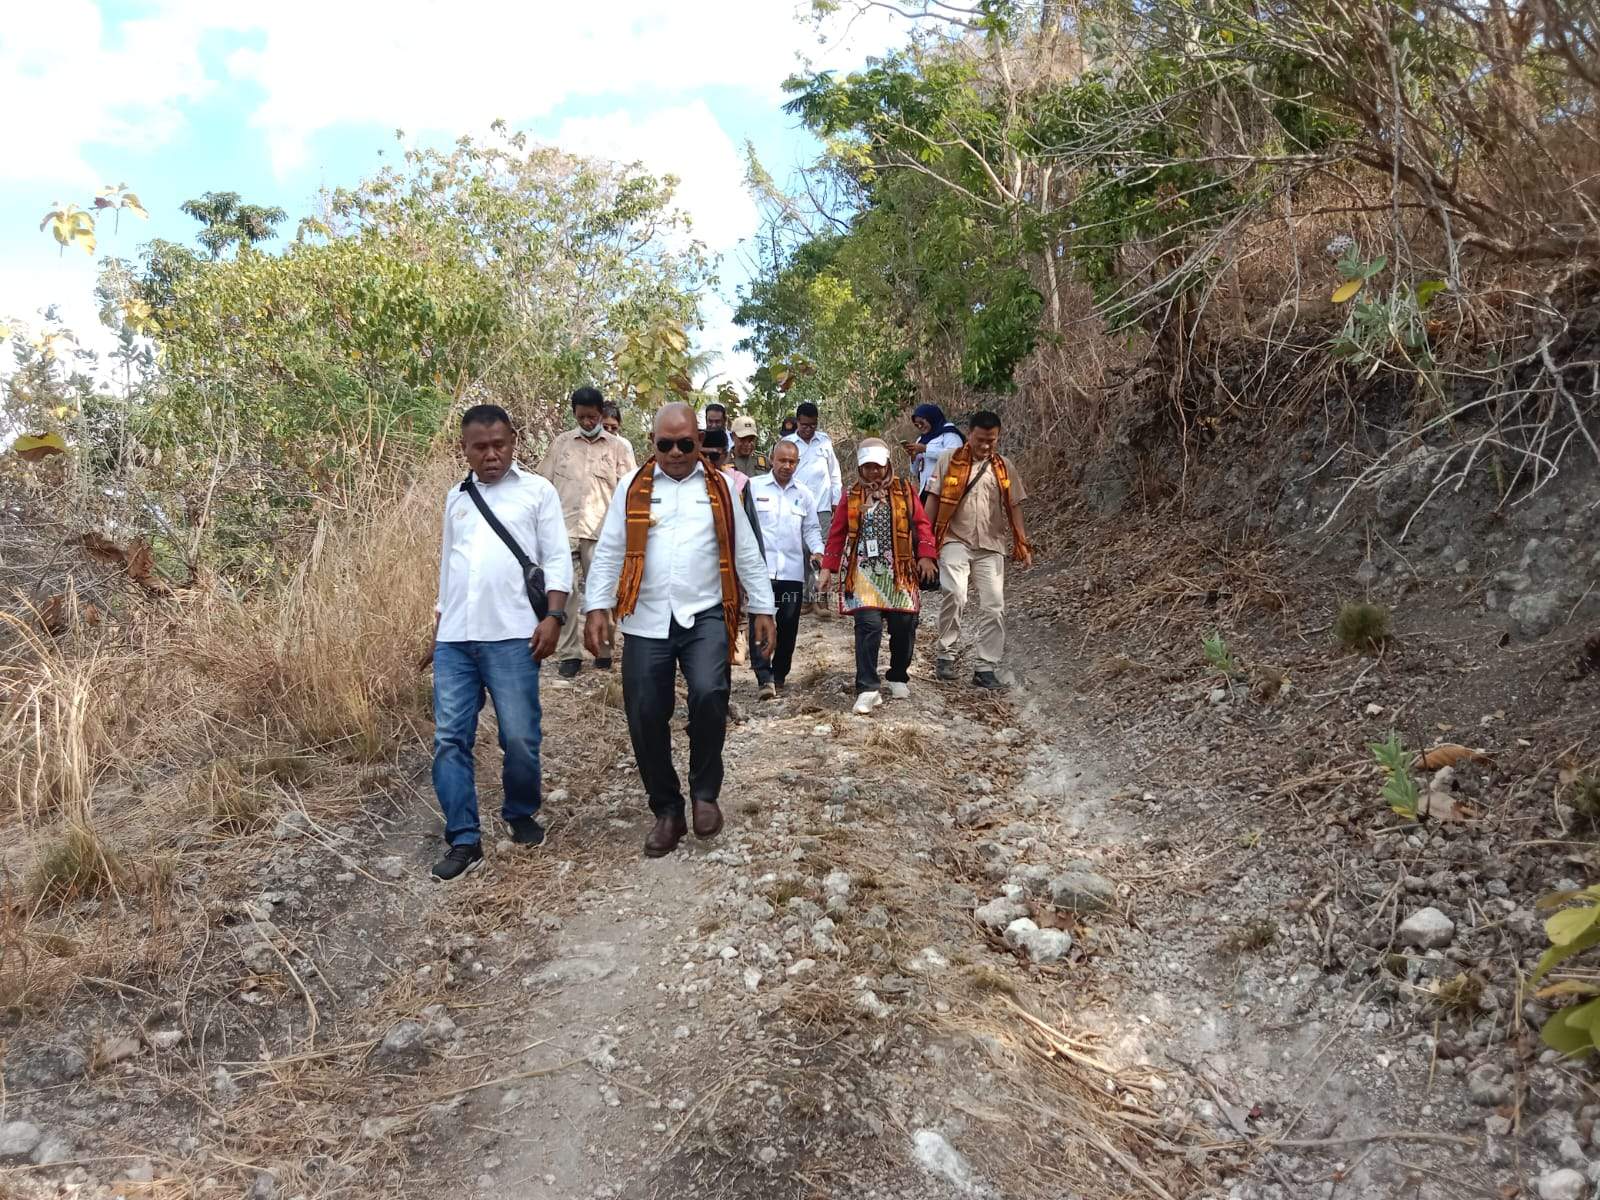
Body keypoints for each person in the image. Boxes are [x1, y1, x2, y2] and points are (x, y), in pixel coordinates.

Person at [583, 403, 777, 857]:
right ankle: (667, 810)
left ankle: (704, 793)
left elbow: (745, 549)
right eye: (664, 444)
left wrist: (764, 606)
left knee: (711, 694)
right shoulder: (632, 487)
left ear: (700, 442)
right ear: (652, 442)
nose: (674, 452)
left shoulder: (721, 488)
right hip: (645, 618)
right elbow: (610, 549)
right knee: (646, 712)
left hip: (705, 613)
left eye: (684, 444)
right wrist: (596, 606)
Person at [424, 405, 573, 881]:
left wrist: (553, 617)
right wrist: (437, 632)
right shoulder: (457, 498)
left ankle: (520, 810)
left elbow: (555, 559)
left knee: (520, 737)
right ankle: (464, 838)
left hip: (512, 636)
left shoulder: (538, 492)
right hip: (456, 641)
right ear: (464, 449)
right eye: (480, 447)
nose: (491, 455)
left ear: (514, 441)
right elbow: (450, 568)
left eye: (499, 444)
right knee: (450, 739)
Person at [819, 439, 937, 715]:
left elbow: (922, 524)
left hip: (900, 570)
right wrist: (828, 567)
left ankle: (897, 674)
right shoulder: (852, 495)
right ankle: (867, 687)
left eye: (877, 466)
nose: (872, 472)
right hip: (864, 572)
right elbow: (838, 532)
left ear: (887, 465)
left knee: (903, 625)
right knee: (868, 626)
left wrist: (927, 555)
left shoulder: (905, 490)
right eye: (867, 467)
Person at [925, 410, 1033, 690]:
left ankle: (985, 666)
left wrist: (1022, 542)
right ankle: (945, 655)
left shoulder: (1004, 467)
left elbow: (1014, 505)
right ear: (969, 434)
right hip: (954, 538)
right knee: (955, 593)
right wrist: (924, 541)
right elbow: (934, 499)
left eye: (992, 441)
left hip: (991, 544)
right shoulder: (948, 460)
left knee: (994, 605)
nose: (986, 446)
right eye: (981, 440)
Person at [536, 387, 636, 678]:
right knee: (564, 591)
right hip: (564, 528)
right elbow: (543, 484)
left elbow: (630, 490)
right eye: (582, 417)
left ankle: (603, 648)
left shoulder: (619, 447)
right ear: (574, 414)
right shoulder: (561, 444)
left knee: (602, 591)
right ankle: (569, 653)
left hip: (603, 530)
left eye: (593, 417)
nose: (588, 422)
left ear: (601, 414)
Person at [748, 440, 822, 700]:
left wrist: (817, 550)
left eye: (792, 462)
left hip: (791, 573)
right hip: (761, 572)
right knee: (759, 622)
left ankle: (779, 674)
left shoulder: (804, 494)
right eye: (782, 460)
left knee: (788, 626)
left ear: (797, 464)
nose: (787, 466)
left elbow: (811, 529)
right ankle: (763, 677)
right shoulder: (753, 488)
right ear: (772, 459)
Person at [783, 402, 842, 613]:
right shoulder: (787, 443)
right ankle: (805, 597)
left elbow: (834, 473)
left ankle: (821, 596)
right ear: (797, 422)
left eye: (813, 425)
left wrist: (836, 498)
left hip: (822, 505)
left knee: (822, 551)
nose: (809, 429)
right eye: (805, 424)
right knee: (800, 551)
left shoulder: (824, 442)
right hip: (796, 505)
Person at [901, 402, 966, 504]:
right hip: (926, 490)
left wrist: (926, 449)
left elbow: (954, 457)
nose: (920, 427)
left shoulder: (949, 434)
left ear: (931, 418)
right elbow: (915, 471)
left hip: (946, 489)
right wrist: (913, 456)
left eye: (922, 423)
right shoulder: (921, 440)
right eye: (917, 425)